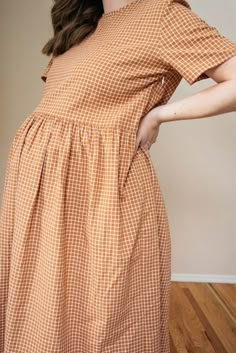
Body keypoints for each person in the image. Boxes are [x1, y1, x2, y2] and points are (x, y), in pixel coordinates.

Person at [1, 0, 236, 352]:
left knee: (107, 305)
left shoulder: (162, 15)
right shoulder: (82, 22)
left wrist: (158, 115)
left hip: (103, 186)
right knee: (47, 290)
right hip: (43, 186)